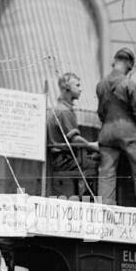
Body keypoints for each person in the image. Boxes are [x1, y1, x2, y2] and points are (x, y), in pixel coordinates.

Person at [95, 46, 136, 209]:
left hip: (106, 133)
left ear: (114, 61)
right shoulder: (129, 84)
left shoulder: (100, 84)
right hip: (129, 133)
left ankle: (105, 206)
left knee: (106, 173)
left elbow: (101, 112)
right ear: (130, 65)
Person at [46, 70, 100, 198]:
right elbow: (75, 140)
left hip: (61, 159)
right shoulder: (64, 111)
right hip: (64, 160)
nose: (81, 89)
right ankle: (91, 200)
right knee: (102, 166)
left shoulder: (60, 108)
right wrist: (93, 146)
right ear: (67, 89)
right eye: (77, 85)